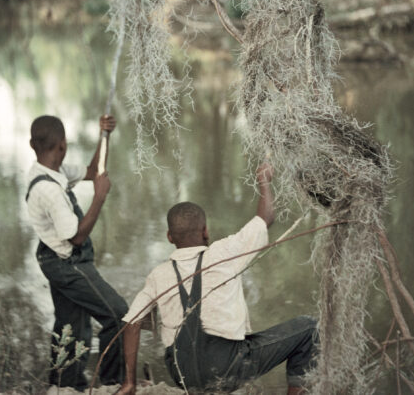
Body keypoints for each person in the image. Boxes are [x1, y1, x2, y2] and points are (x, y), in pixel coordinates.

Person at [114, 163, 318, 395]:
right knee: (309, 328)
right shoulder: (225, 252)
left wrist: (129, 381)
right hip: (227, 369)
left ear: (170, 237)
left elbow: (131, 323)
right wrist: (264, 181)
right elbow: (265, 218)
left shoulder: (158, 275)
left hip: (182, 374)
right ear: (205, 231)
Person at [26, 114, 128, 391]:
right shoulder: (49, 190)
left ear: (32, 144)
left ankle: (64, 385)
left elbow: (94, 169)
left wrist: (103, 135)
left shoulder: (51, 171)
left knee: (71, 326)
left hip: (53, 256)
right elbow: (78, 236)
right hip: (66, 262)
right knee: (118, 315)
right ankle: (110, 383)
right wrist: (99, 197)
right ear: (63, 145)